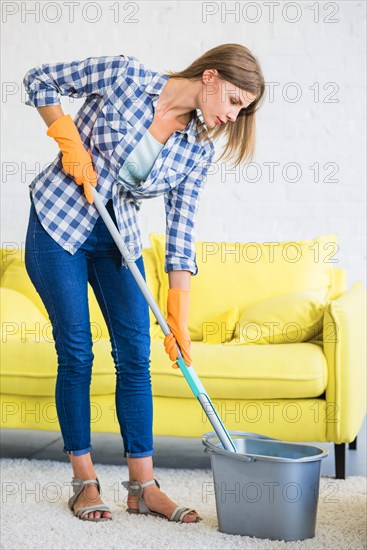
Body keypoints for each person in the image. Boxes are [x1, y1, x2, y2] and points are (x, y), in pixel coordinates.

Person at [22, 43, 264, 523]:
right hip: (59, 222)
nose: (233, 117)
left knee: (136, 354)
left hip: (119, 240)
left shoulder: (197, 147)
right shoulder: (123, 75)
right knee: (76, 351)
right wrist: (67, 137)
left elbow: (181, 229)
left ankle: (143, 486)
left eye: (243, 110)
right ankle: (84, 482)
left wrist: (179, 315)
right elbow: (39, 79)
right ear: (210, 77)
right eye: (235, 101)